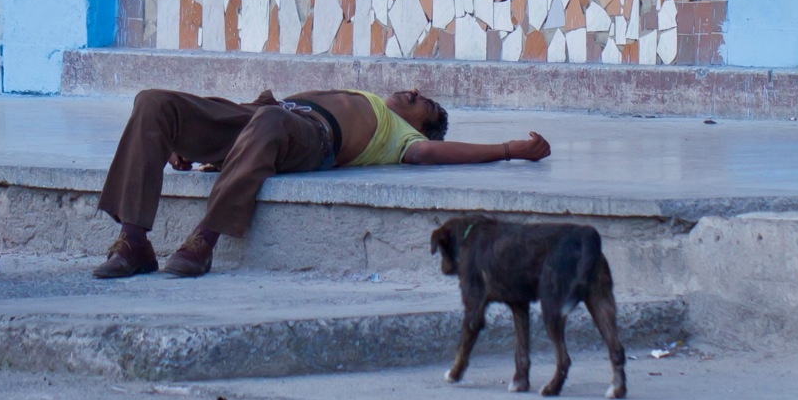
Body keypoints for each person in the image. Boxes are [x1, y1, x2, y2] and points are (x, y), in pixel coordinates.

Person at [92, 87, 552, 279]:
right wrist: (192, 142)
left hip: (308, 138)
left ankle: (203, 241)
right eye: (418, 94)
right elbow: (260, 116)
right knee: (154, 103)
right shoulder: (368, 95)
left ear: (420, 126)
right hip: (259, 117)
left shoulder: (403, 136)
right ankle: (134, 241)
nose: (414, 94)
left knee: (271, 120)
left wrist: (510, 149)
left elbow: (436, 153)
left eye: (424, 104)